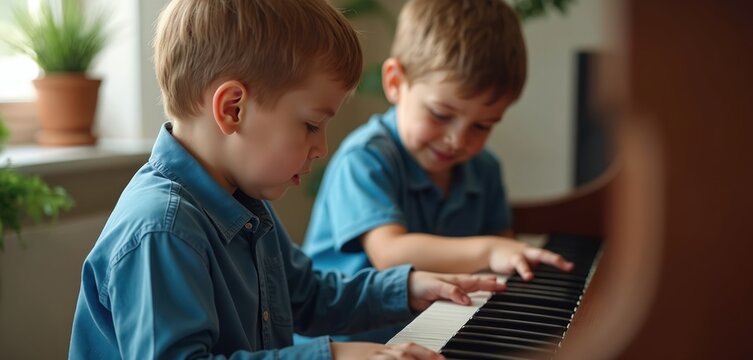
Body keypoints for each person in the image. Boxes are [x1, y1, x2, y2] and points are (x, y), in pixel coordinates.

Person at [67, 0, 506, 358]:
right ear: (233, 108)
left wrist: (408, 287)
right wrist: (333, 356)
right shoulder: (161, 230)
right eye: (312, 125)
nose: (323, 147)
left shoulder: (245, 203)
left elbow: (309, 297)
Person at [300, 0, 575, 343]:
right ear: (396, 82)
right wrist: (490, 250)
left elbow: (501, 248)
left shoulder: (484, 168)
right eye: (441, 115)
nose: (456, 140)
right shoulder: (366, 158)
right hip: (350, 343)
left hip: (432, 333)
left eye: (482, 126)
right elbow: (389, 252)